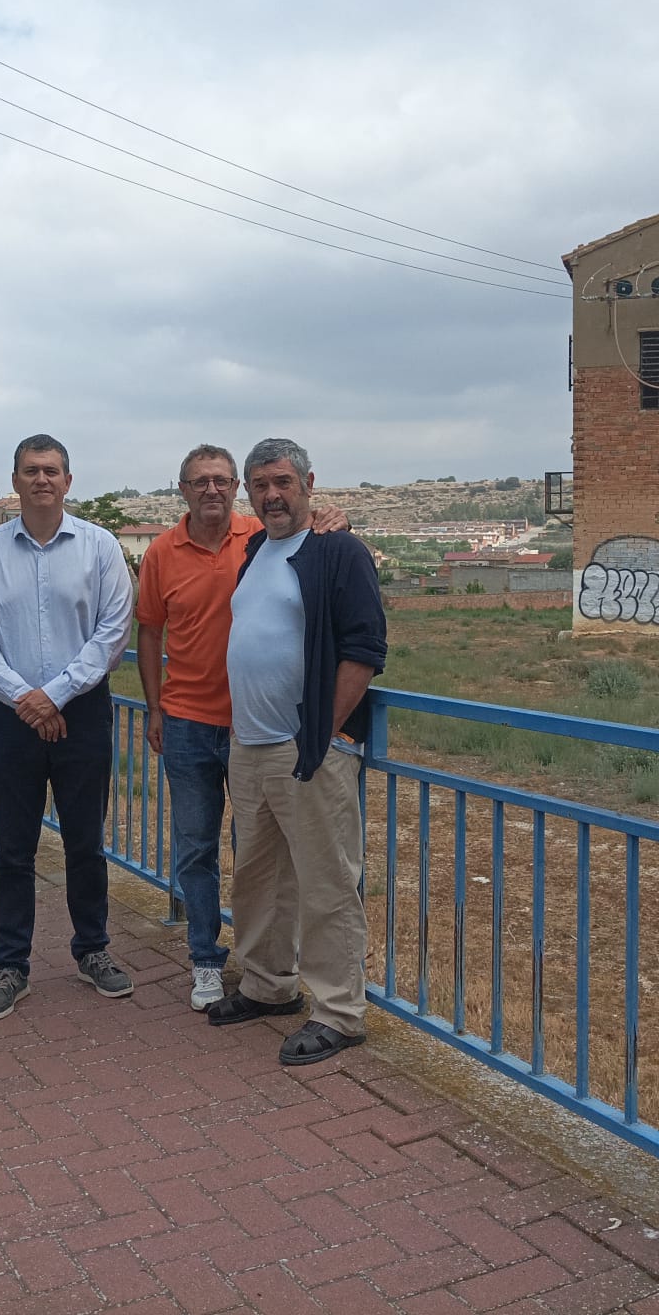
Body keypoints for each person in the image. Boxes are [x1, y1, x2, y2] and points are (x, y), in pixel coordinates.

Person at [135, 445, 347, 1011]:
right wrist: (154, 708)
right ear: (182, 488)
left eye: (222, 481)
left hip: (255, 729)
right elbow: (150, 633)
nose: (212, 490)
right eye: (200, 481)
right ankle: (206, 960)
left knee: (261, 860)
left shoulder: (258, 536)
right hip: (186, 721)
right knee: (196, 849)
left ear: (236, 490)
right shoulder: (161, 552)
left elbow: (314, 537)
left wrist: (337, 521)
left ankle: (274, 974)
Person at [207, 439, 386, 1066]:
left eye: (282, 481)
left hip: (307, 748)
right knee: (259, 880)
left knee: (327, 883)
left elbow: (364, 649)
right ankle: (267, 986)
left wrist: (327, 730)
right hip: (251, 745)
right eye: (259, 485)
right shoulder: (256, 548)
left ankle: (340, 1013)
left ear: (308, 482)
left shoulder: (338, 550)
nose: (271, 495)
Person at [0, 434, 136, 1021]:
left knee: (85, 841)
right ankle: (11, 965)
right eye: (31, 470)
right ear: (15, 481)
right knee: (12, 849)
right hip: (9, 719)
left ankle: (93, 950)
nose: (42, 480)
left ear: (68, 481)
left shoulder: (100, 547)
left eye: (52, 470)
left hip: (80, 714)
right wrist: (24, 698)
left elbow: (112, 632)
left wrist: (53, 695)